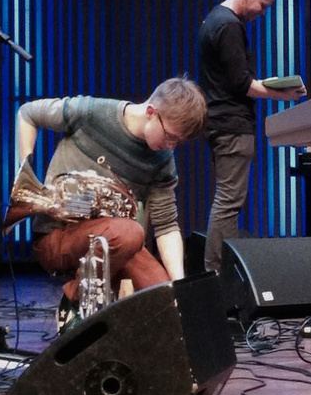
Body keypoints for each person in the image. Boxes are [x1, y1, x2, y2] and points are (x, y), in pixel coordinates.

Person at [15, 77, 207, 327]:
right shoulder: (91, 113)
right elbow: (28, 113)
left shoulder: (162, 161)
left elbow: (167, 226)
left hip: (115, 244)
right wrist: (27, 174)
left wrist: (179, 285)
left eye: (178, 142)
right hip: (57, 236)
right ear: (151, 112)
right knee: (130, 232)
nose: (171, 147)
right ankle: (74, 301)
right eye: (170, 137)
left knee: (167, 305)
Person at [198, 0, 306, 276]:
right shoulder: (229, 25)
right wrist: (283, 94)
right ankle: (217, 276)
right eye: (263, 4)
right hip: (231, 124)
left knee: (227, 199)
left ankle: (218, 274)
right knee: (228, 201)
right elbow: (242, 83)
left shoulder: (214, 18)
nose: (263, 12)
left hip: (218, 121)